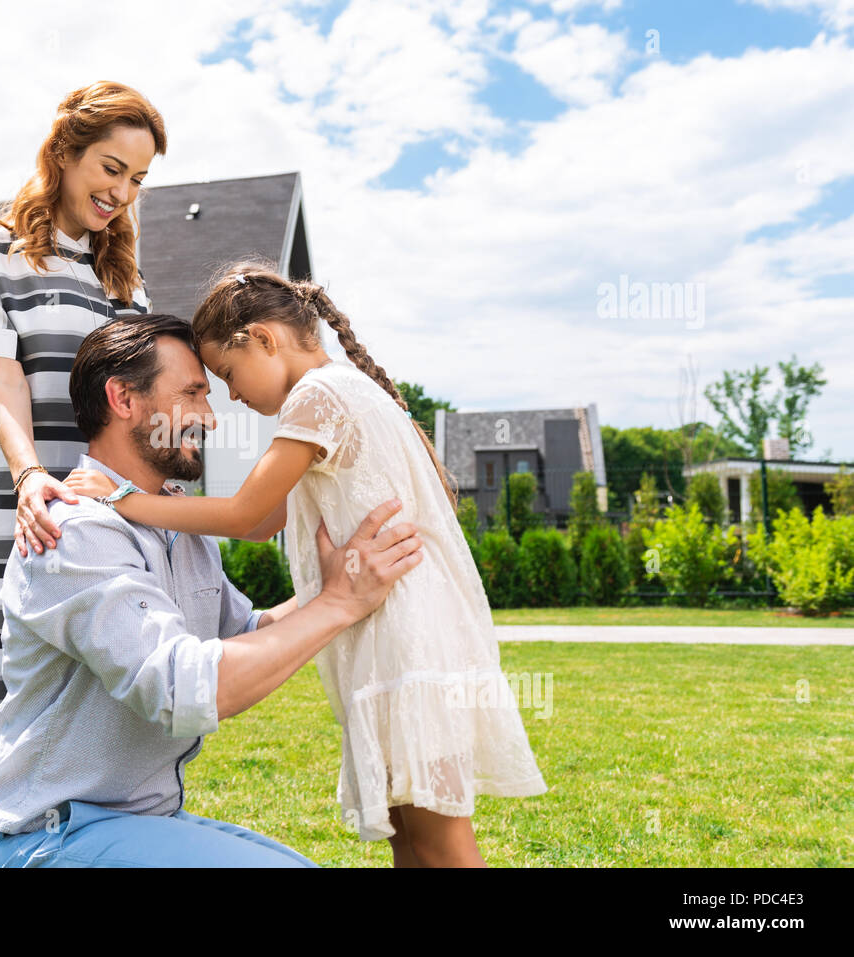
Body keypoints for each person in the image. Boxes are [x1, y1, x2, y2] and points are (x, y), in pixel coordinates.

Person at [63, 262, 549, 868]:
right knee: (413, 834)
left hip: (405, 639)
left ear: (263, 339)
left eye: (228, 375)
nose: (232, 397)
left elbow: (244, 515)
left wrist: (125, 501)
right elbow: (269, 521)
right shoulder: (343, 396)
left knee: (443, 840)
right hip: (400, 633)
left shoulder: (317, 398)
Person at [0, 314, 425, 867]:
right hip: (48, 838)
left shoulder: (176, 524)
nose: (209, 417)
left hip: (137, 823)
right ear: (123, 399)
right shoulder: (73, 532)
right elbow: (185, 689)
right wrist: (337, 603)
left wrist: (344, 584)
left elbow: (247, 636)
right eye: (193, 394)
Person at [0, 81, 166, 867]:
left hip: (93, 542)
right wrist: (30, 478)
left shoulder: (126, 287)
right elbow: (6, 381)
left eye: (136, 179)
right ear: (63, 152)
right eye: (110, 166)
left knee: (78, 761)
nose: (120, 192)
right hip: (7, 521)